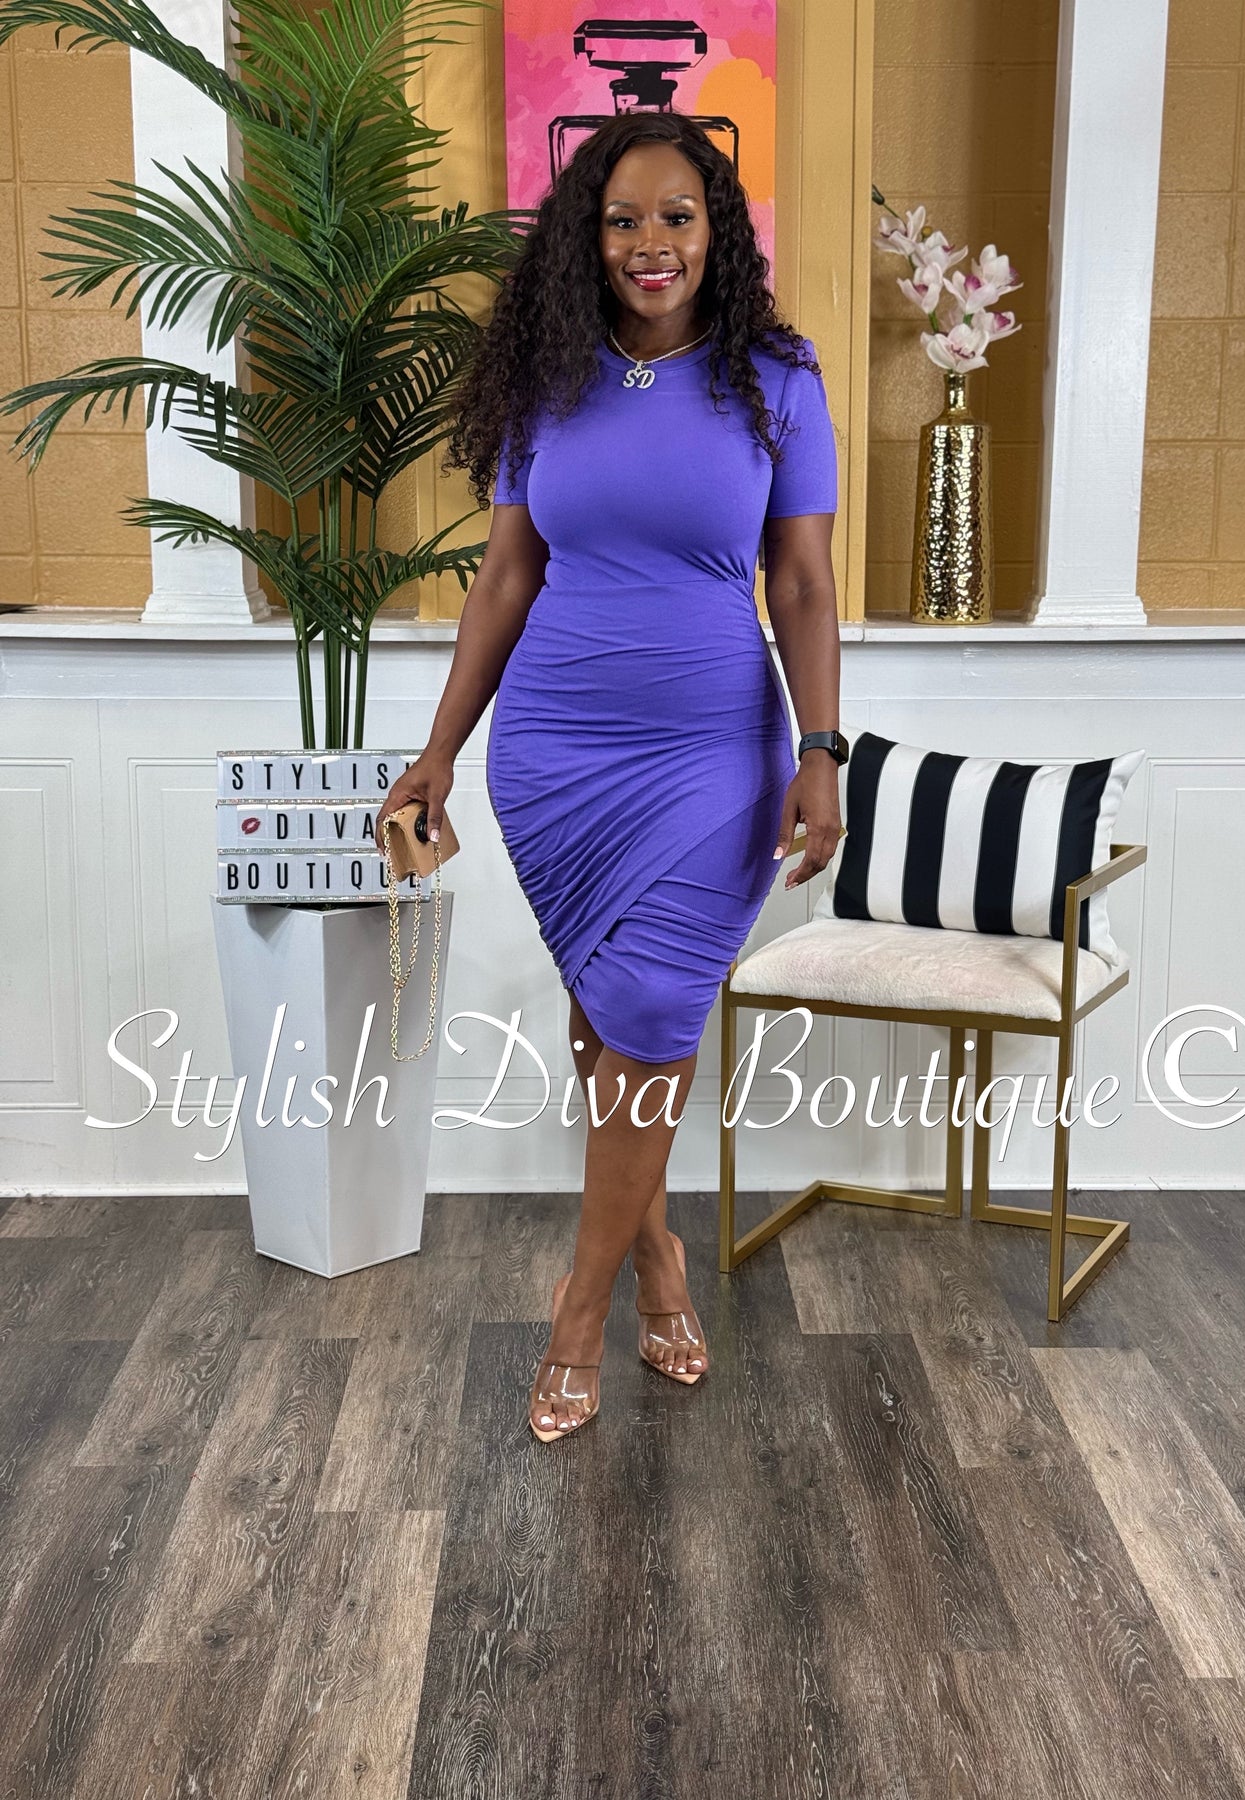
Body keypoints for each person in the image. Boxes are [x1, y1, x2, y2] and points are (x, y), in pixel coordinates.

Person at [376, 110, 843, 1442]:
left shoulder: (777, 378)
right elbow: (504, 577)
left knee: (646, 1007)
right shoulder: (548, 380)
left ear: (716, 231)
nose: (651, 243)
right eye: (622, 219)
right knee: (608, 1017)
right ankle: (656, 1260)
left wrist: (821, 749)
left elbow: (802, 583)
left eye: (677, 217)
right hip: (555, 756)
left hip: (715, 757)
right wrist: (439, 749)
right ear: (587, 238)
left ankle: (577, 1314)